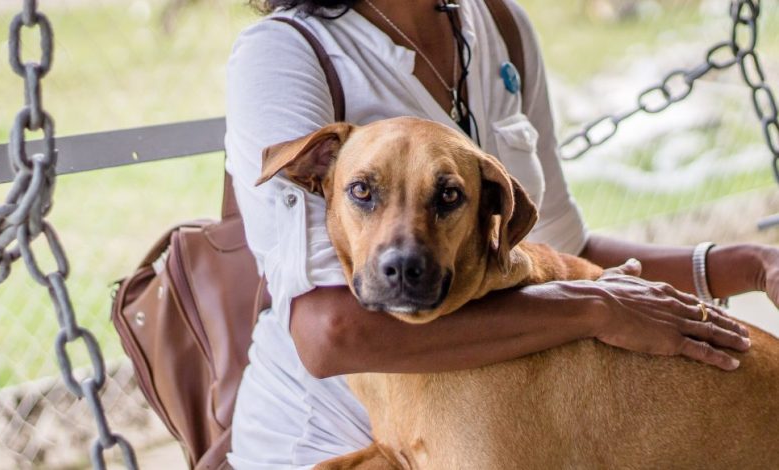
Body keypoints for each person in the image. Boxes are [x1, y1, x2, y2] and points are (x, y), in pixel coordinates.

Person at [224, 0, 779, 467]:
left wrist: (751, 265)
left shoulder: (499, 24)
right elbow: (331, 334)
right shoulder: (286, 52)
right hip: (323, 428)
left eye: (445, 197)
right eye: (367, 193)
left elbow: (567, 251)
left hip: (494, 418)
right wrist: (594, 310)